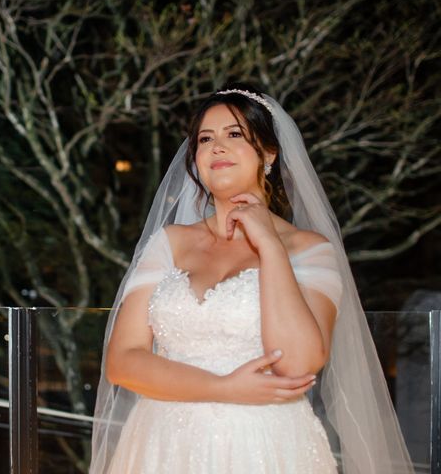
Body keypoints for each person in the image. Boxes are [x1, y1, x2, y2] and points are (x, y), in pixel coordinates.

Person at [89, 83, 415, 474]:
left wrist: (270, 247)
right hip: (160, 444)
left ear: (269, 153)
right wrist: (223, 388)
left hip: (264, 444)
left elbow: (298, 366)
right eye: (205, 139)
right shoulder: (169, 243)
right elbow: (122, 362)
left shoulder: (309, 250)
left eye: (235, 134)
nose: (217, 147)